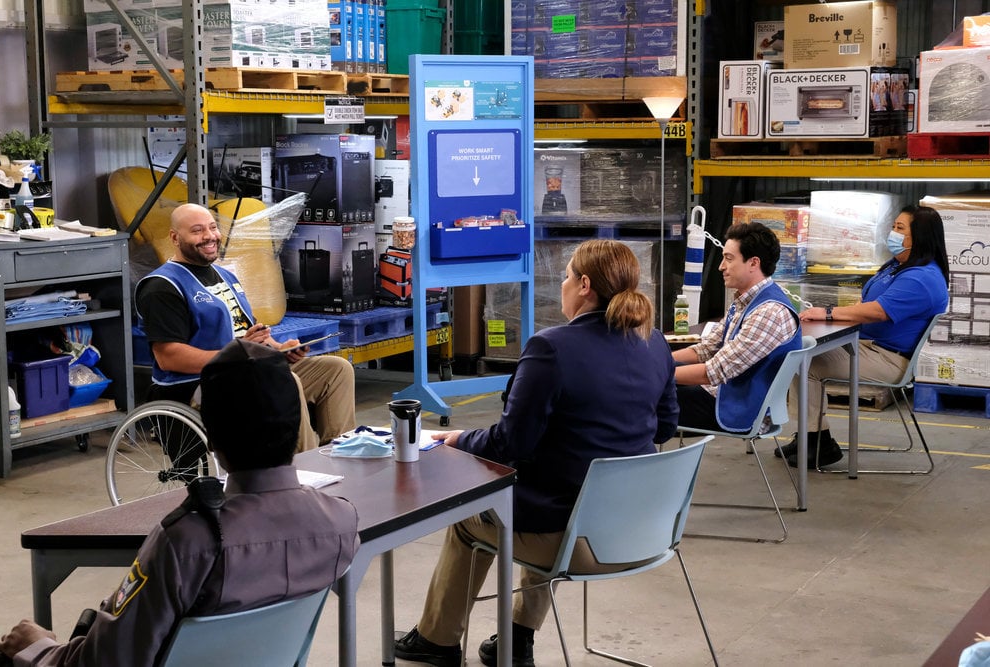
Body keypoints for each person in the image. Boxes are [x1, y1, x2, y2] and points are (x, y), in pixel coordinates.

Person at [393, 239, 679, 667]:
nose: (562, 284)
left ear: (585, 285)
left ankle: (437, 640)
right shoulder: (654, 343)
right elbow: (667, 427)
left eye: (566, 276)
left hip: (571, 542)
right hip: (641, 531)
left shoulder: (552, 347)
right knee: (553, 496)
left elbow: (510, 444)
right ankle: (517, 638)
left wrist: (457, 439)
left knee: (472, 517)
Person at [0, 339, 360, 666]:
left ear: (210, 438)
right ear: (297, 425)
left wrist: (38, 648)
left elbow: (107, 659)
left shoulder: (185, 544)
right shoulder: (341, 525)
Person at [136, 202, 356, 450]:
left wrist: (280, 349)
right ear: (175, 238)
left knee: (336, 370)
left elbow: (250, 335)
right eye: (197, 230)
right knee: (283, 380)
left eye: (212, 228)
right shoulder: (162, 287)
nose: (209, 236)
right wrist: (237, 354)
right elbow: (169, 358)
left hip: (245, 372)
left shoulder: (225, 276)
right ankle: (301, 467)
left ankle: (340, 455)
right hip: (199, 385)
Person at [778, 204, 950, 468]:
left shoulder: (921, 278)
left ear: (920, 237)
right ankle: (807, 435)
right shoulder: (898, 265)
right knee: (801, 354)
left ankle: (817, 442)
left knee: (804, 364)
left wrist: (828, 313)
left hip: (889, 358)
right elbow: (865, 302)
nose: (893, 233)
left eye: (900, 228)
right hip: (867, 345)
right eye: (893, 226)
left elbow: (878, 311)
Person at [673, 221, 801, 435]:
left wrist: (656, 373)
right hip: (726, 393)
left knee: (643, 398)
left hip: (739, 409)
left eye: (729, 258)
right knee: (652, 383)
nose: (721, 266)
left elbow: (715, 372)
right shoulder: (746, 301)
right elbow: (707, 349)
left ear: (753, 263)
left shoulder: (768, 313)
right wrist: (660, 361)